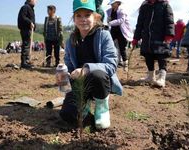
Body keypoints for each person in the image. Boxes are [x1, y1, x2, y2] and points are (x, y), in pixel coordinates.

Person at [58, 0, 122, 129]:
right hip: (80, 84)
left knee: (98, 74)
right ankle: (85, 110)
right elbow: (70, 66)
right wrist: (65, 77)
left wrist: (86, 70)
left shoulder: (104, 36)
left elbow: (110, 65)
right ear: (74, 19)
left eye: (87, 15)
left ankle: (102, 108)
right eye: (79, 16)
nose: (83, 19)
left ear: (96, 17)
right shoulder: (71, 40)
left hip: (99, 83)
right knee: (67, 114)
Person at [132, 0, 174, 87]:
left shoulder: (165, 5)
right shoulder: (144, 7)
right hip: (147, 38)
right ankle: (150, 76)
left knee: (161, 57)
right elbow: (139, 24)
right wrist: (136, 37)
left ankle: (162, 78)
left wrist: (169, 34)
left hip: (161, 37)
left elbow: (169, 21)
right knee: (148, 56)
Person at [106, 0, 133, 67]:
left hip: (121, 31)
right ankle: (114, 61)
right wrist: (108, 21)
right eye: (111, 4)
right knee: (111, 45)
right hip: (113, 30)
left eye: (113, 3)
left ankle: (125, 62)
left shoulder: (121, 11)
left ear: (117, 3)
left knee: (122, 47)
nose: (111, 5)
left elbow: (121, 20)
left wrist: (110, 23)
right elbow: (109, 19)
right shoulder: (109, 11)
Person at [18, 0, 36, 69]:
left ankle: (27, 60)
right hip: (25, 29)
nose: (35, 1)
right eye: (34, 0)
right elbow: (23, 17)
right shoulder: (25, 7)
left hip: (29, 29)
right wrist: (30, 22)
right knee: (26, 45)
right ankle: (24, 63)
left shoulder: (31, 8)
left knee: (28, 45)